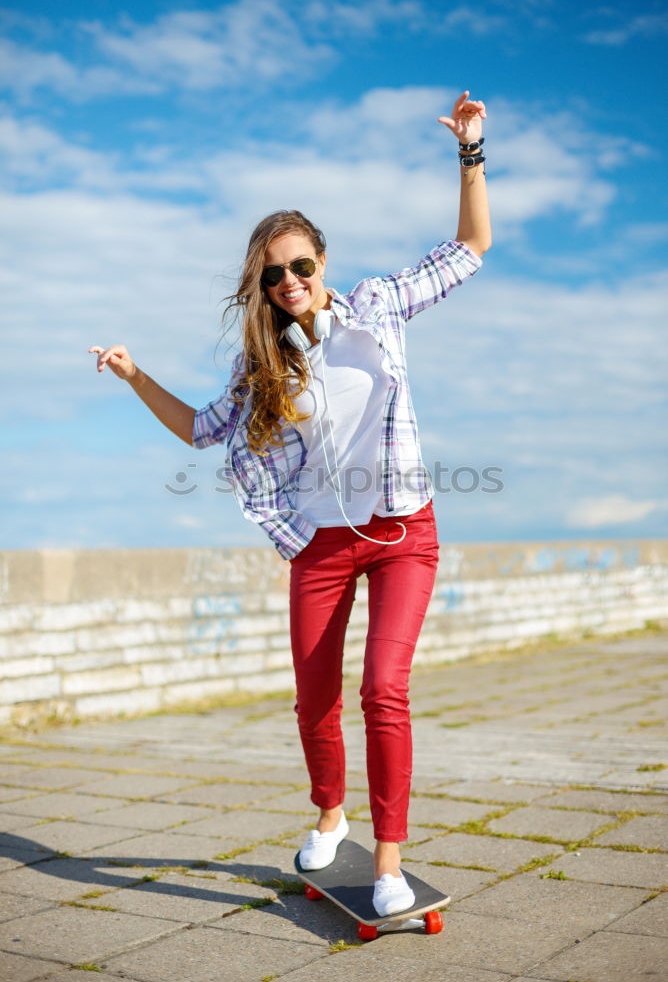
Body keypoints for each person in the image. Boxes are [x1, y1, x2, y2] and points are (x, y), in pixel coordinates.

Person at [89, 90, 491, 916]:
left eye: (301, 266)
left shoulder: (378, 306)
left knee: (384, 687)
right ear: (262, 287)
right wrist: (133, 376)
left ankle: (387, 862)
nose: (288, 282)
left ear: (322, 265)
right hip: (321, 545)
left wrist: (471, 152)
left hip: (405, 531)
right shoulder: (263, 372)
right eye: (273, 275)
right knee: (314, 696)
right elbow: (201, 431)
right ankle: (330, 813)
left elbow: (471, 246)